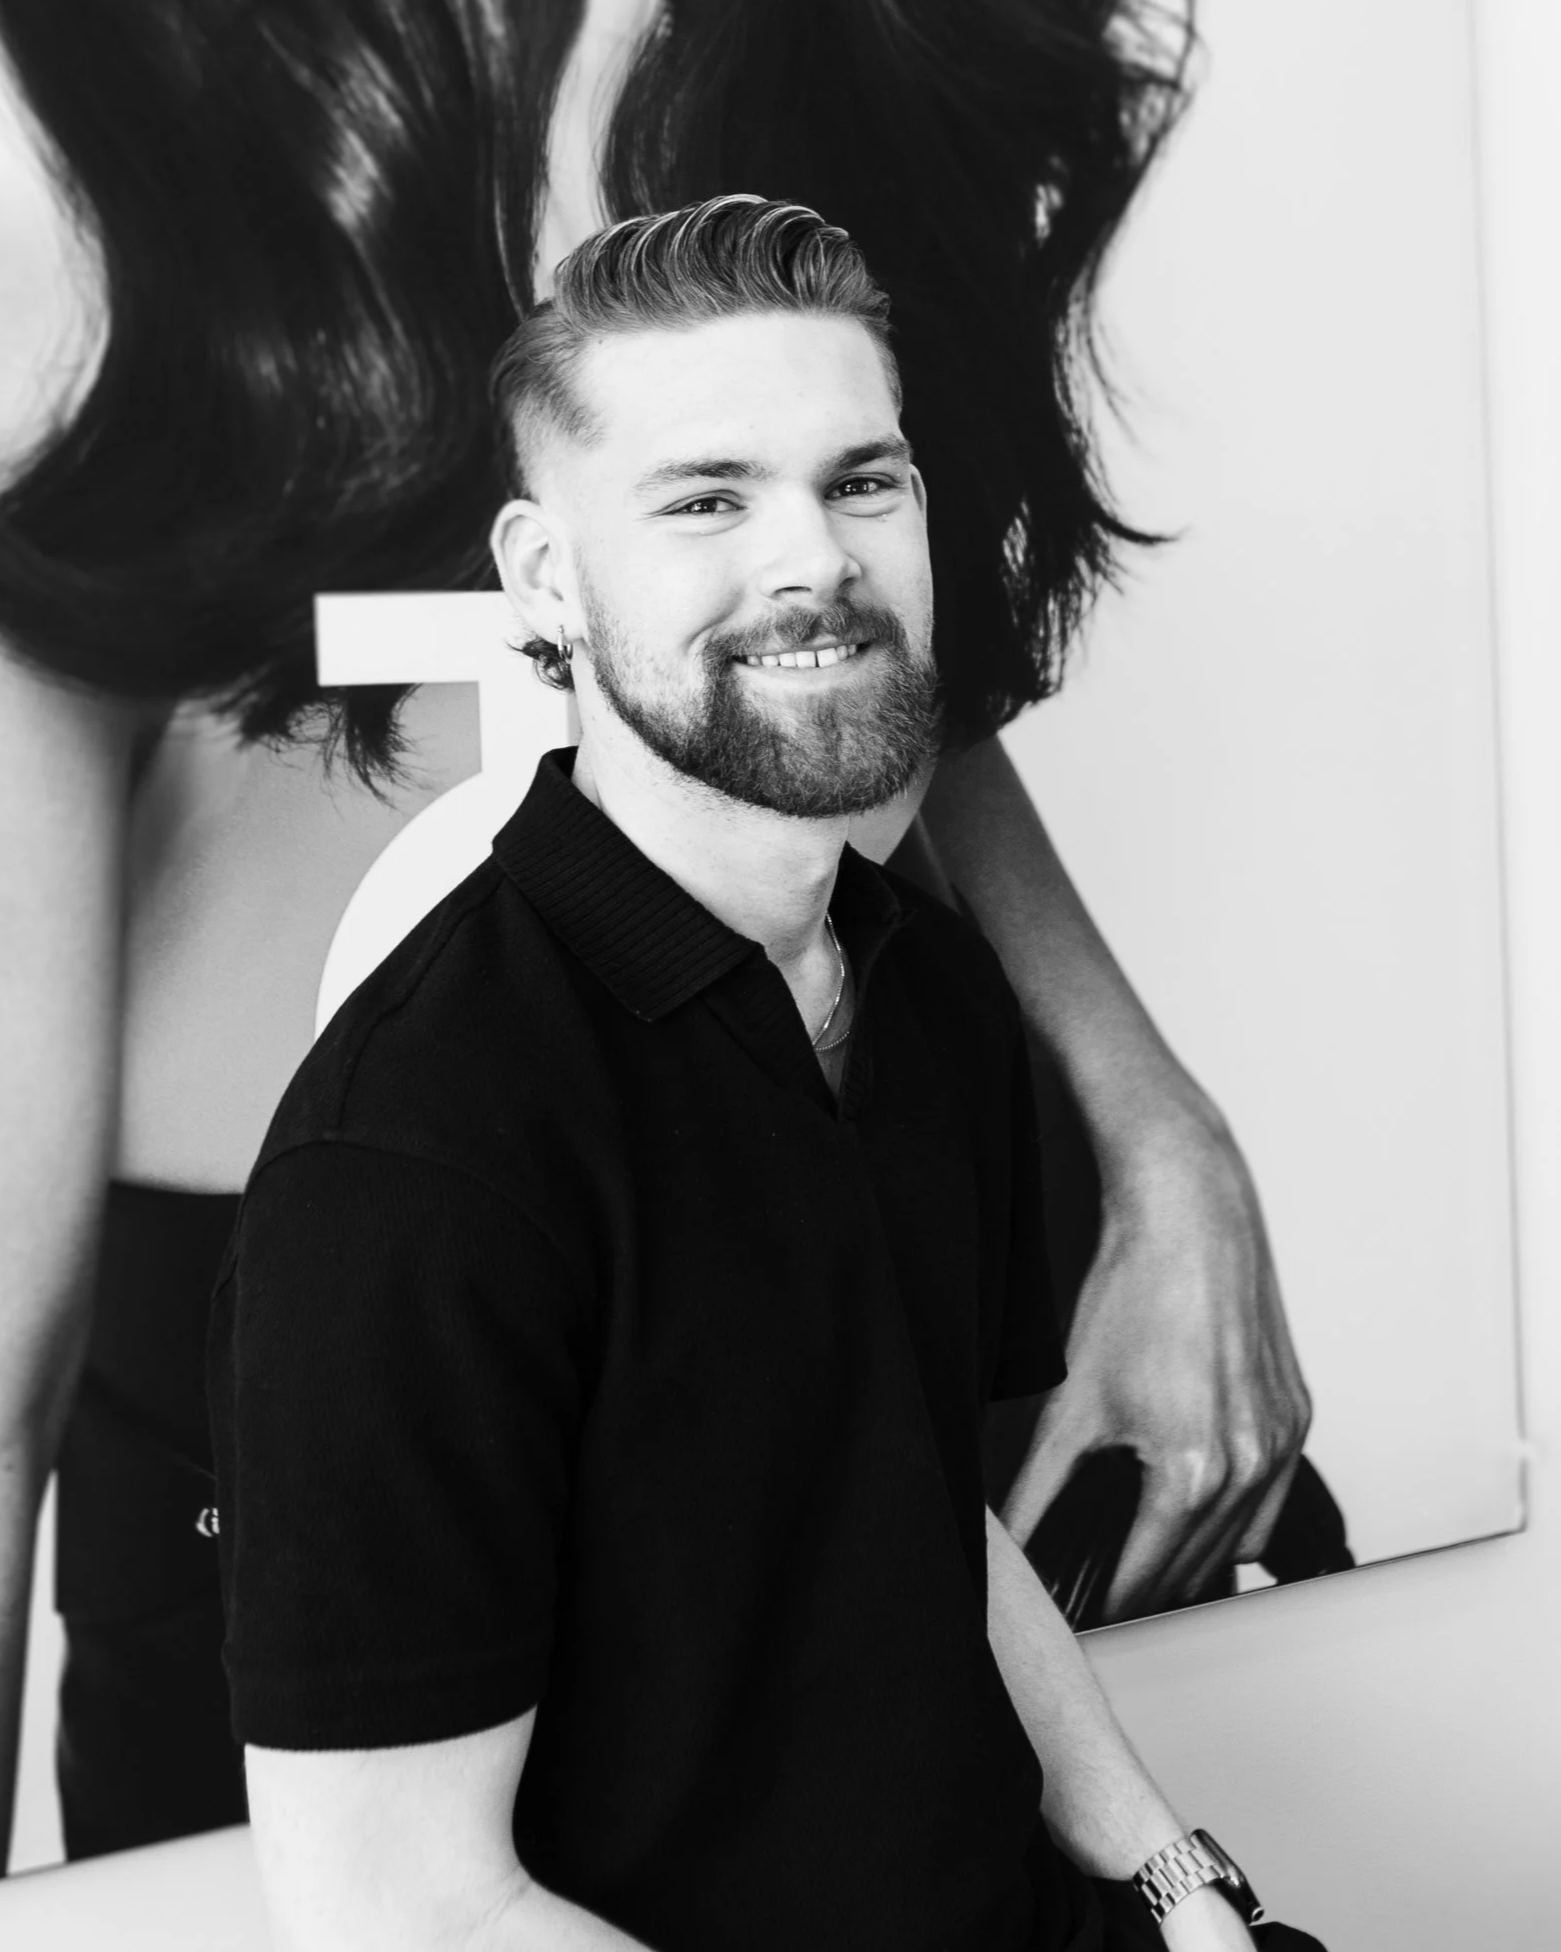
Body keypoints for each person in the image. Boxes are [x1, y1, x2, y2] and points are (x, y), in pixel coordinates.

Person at [0, 0, 1326, 1867]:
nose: (807, 539)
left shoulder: (828, 89)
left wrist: (1160, 1134)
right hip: (290, 1289)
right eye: (701, 491)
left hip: (819, 1132)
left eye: (867, 480)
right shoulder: (112, 152)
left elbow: (832, 677)